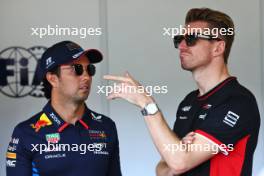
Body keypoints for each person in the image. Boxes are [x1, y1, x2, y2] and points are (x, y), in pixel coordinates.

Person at [103, 8, 260, 176]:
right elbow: (162, 167)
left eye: (191, 39)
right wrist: (174, 161)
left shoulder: (238, 101)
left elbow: (179, 162)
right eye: (180, 39)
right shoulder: (189, 101)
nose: (182, 46)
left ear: (218, 48)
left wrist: (146, 103)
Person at [6, 41, 122, 176]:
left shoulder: (106, 126)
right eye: (76, 69)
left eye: (90, 69)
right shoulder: (26, 133)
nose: (86, 77)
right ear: (52, 79)